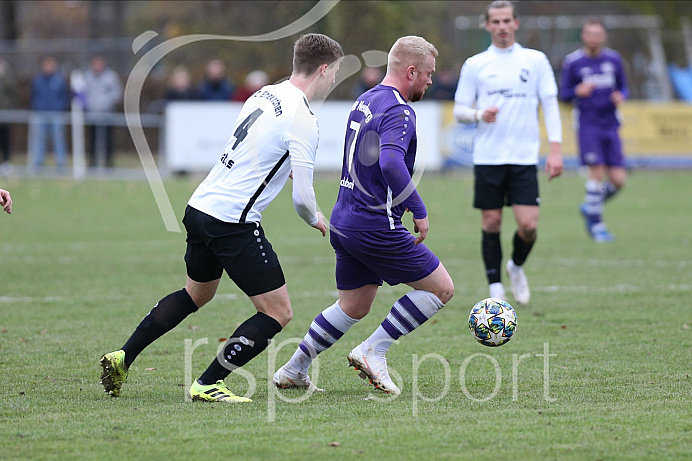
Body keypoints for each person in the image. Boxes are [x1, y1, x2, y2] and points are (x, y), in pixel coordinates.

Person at [100, 33, 343, 403]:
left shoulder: (265, 93)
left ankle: (123, 355)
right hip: (233, 222)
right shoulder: (305, 119)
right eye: (335, 72)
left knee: (195, 294)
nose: (335, 80)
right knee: (278, 312)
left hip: (200, 208)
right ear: (323, 69)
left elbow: (257, 149)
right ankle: (208, 383)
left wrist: (282, 170)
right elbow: (303, 200)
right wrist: (315, 217)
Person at [274, 36, 454, 396]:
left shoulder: (366, 99)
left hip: (345, 217)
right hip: (374, 224)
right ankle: (374, 350)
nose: (430, 82)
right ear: (411, 70)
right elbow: (389, 161)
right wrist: (417, 208)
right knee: (441, 289)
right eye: (428, 75)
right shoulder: (400, 110)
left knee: (354, 304)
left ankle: (295, 368)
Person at [453, 1, 563, 305]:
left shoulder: (535, 60)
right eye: (495, 21)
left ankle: (515, 266)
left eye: (506, 20)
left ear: (516, 23)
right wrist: (477, 114)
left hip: (524, 157)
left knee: (528, 226)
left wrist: (555, 149)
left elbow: (550, 104)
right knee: (491, 223)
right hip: (488, 156)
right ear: (487, 26)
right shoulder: (475, 64)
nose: (501, 26)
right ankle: (495, 289)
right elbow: (460, 109)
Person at [560, 18, 628, 243]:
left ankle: (590, 205)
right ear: (583, 36)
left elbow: (623, 87)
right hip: (588, 124)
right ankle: (598, 226)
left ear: (604, 36)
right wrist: (577, 90)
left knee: (618, 180)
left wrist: (622, 96)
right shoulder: (573, 62)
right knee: (596, 172)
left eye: (597, 34)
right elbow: (564, 95)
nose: (593, 38)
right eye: (589, 34)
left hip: (611, 123)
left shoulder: (614, 59)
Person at [30, 56, 69, 169]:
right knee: (38, 139)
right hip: (40, 114)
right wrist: (37, 106)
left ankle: (61, 163)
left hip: (56, 114)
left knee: (58, 139)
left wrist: (58, 107)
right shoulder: (38, 80)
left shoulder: (59, 80)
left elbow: (64, 96)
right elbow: (33, 96)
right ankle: (38, 163)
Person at [84, 55, 123, 168]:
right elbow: (82, 93)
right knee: (92, 139)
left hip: (107, 114)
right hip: (92, 114)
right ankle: (92, 162)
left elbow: (117, 93)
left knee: (108, 139)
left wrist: (105, 102)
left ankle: (108, 163)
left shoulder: (111, 77)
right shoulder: (87, 77)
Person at [0, 58, 16, 172]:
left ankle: (6, 162)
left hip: (4, 115)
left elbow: (13, 94)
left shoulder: (8, 79)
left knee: (5, 139)